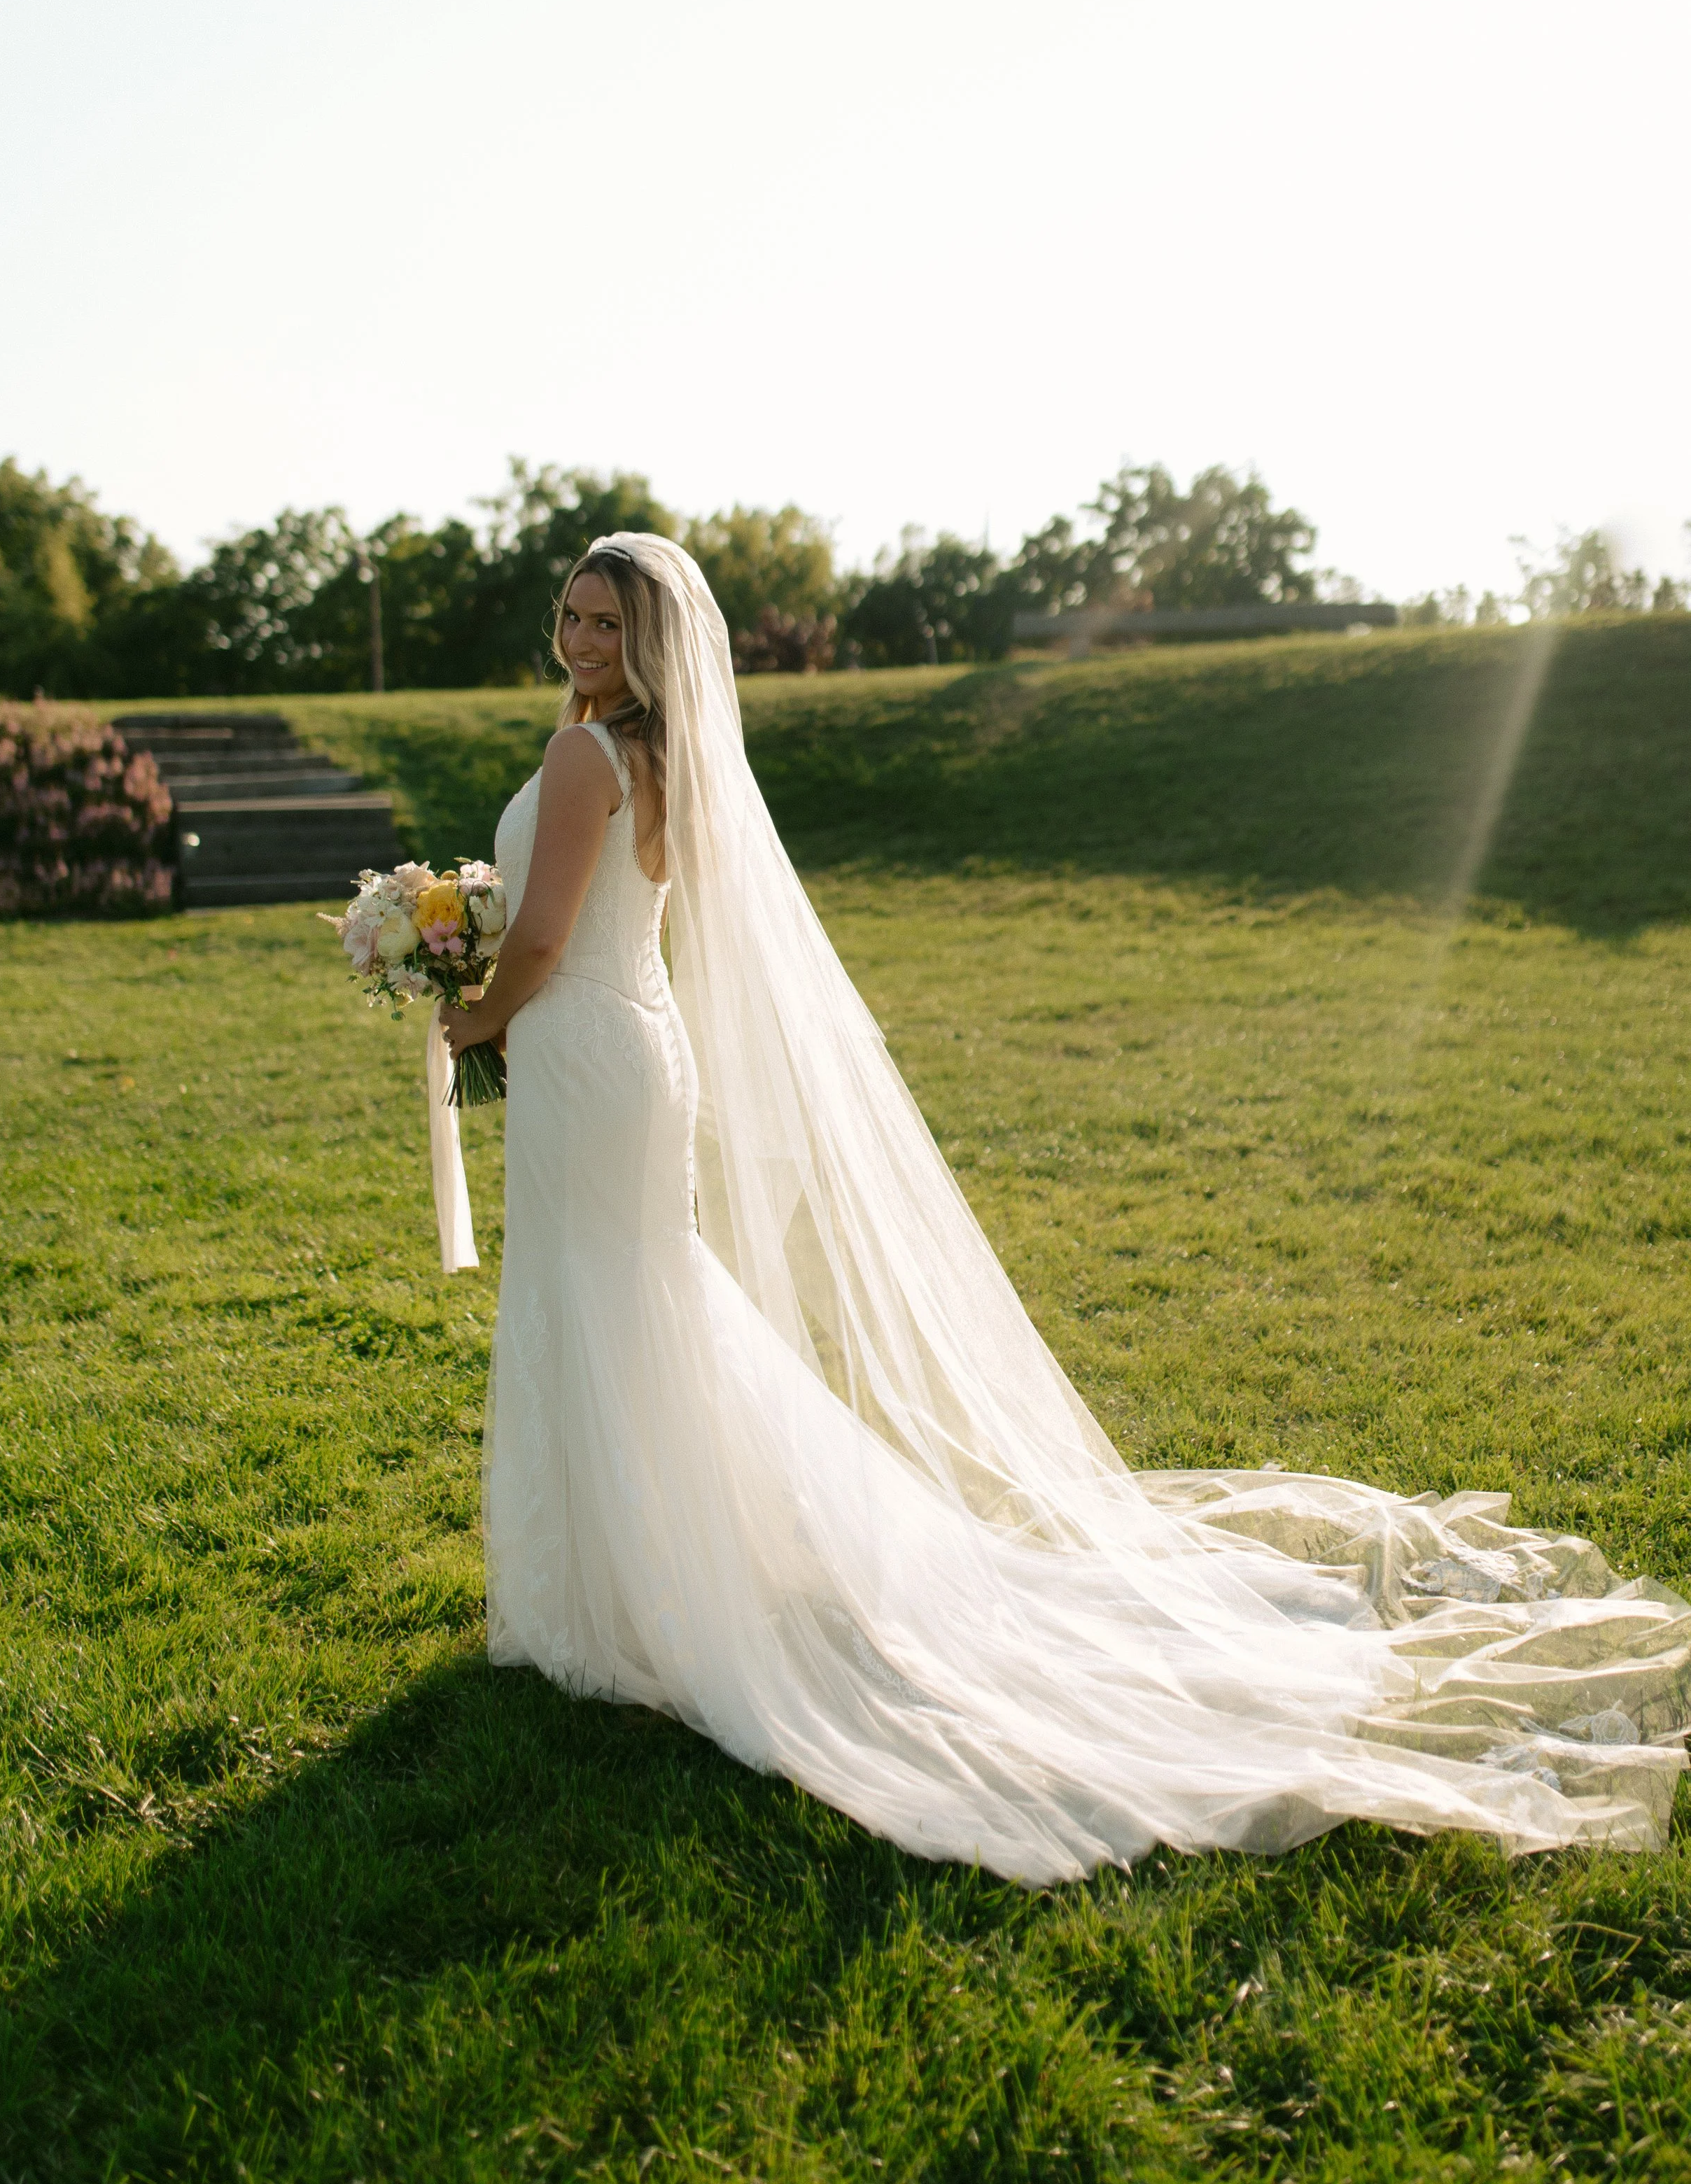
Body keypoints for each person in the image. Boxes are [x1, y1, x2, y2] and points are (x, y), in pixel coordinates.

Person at [441, 535, 1688, 1881]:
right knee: (646, 1297)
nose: (579, 641)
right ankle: (663, 1572)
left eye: (606, 623)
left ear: (648, 641)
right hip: (640, 1050)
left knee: (606, 1296)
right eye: (568, 617)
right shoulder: (661, 755)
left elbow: (552, 935)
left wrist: (466, 1010)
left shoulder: (584, 757)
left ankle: (628, 1597)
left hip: (587, 1050)